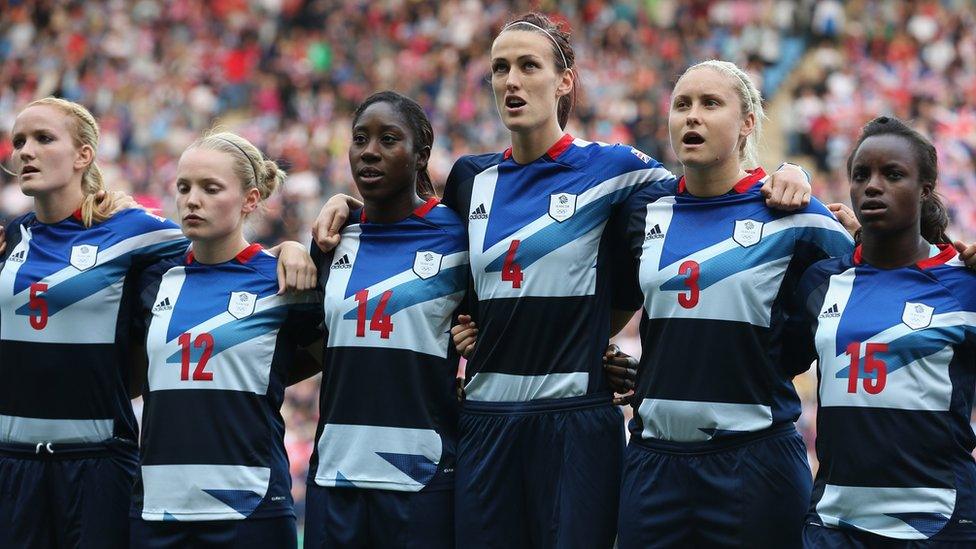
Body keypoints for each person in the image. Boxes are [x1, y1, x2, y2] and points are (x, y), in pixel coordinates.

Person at [312, 14, 813, 548]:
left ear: (564, 80)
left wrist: (791, 174)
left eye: (529, 66)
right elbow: (411, 231)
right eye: (500, 68)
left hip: (577, 423)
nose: (512, 81)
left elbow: (710, 195)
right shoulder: (469, 178)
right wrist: (345, 209)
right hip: (485, 423)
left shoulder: (620, 171)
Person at [611, 60, 855, 548]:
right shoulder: (640, 209)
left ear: (747, 123)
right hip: (654, 462)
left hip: (756, 462)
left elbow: (878, 274)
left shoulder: (798, 216)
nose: (692, 117)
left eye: (710, 103)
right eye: (682, 105)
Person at [0, 97, 190, 549]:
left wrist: (290, 252)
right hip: (11, 464)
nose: (26, 151)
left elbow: (222, 253)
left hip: (98, 462)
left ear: (84, 155)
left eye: (44, 139)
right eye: (19, 141)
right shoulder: (12, 237)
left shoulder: (136, 230)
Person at [129, 131, 323, 548]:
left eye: (210, 188)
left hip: (250, 507)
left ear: (251, 199)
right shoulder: (151, 279)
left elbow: (329, 355)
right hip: (158, 508)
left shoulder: (283, 280)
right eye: (183, 187)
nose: (191, 199)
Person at [793, 116, 976, 547]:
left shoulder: (966, 285)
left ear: (925, 188)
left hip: (941, 526)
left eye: (892, 174)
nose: (872, 186)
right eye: (861, 175)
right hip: (834, 525)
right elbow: (766, 365)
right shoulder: (820, 281)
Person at [301, 91, 467, 548]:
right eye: (360, 139)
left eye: (389, 139)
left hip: (422, 478)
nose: (369, 151)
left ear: (421, 156)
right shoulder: (332, 241)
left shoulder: (459, 236)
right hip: (336, 477)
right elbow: (318, 345)